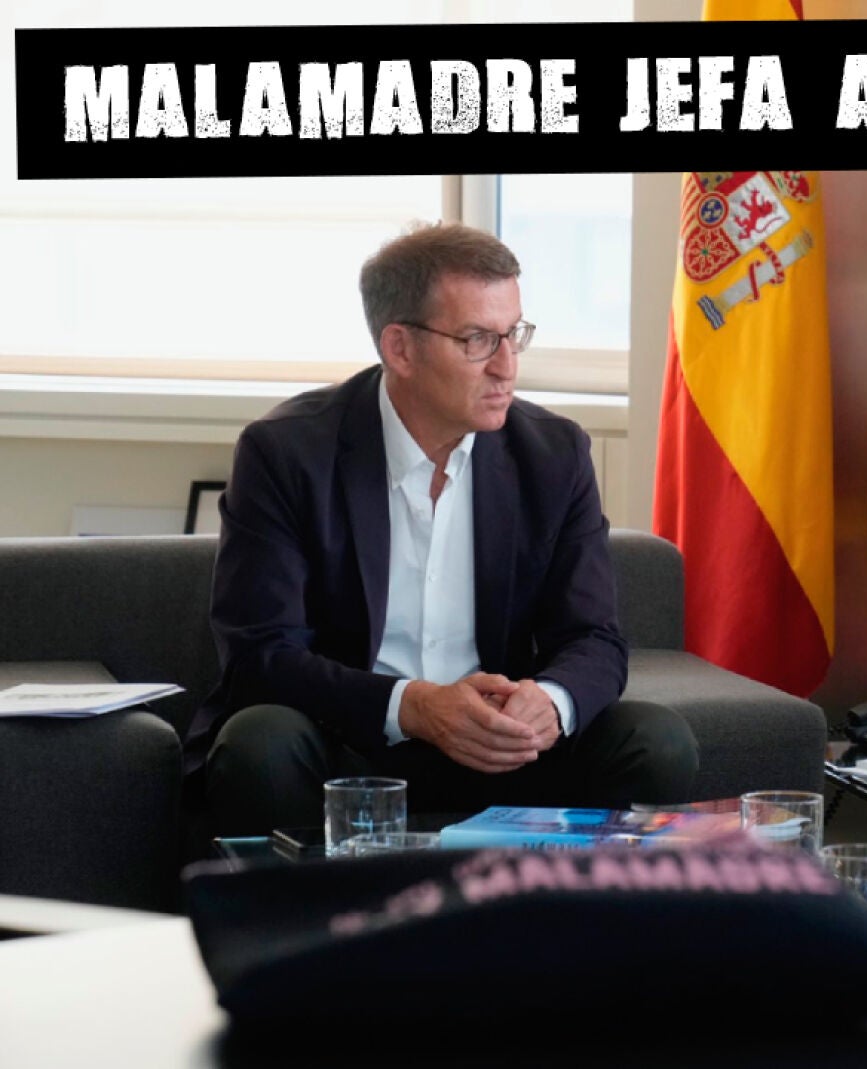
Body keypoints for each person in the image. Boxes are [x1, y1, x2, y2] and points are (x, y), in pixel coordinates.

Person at [194, 223, 698, 835]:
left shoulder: (553, 453)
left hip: (504, 745)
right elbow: (260, 655)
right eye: (478, 340)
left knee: (656, 741)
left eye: (513, 335)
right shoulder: (287, 453)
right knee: (261, 743)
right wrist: (413, 707)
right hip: (352, 744)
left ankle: (565, 900)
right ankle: (321, 901)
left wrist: (550, 702)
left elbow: (593, 636)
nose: (506, 367)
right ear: (400, 349)